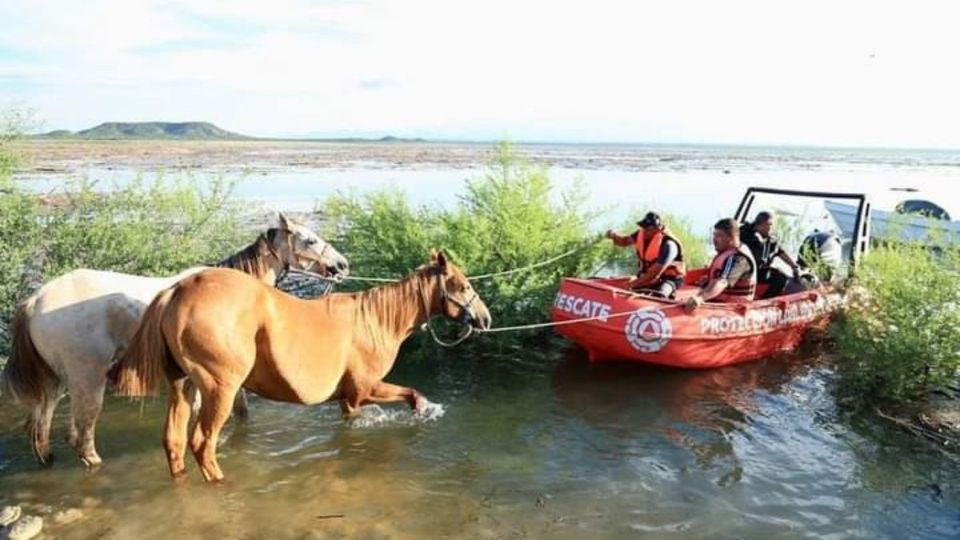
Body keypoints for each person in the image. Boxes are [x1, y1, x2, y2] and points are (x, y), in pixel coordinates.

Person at [606, 211, 686, 298]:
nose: (644, 231)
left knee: (660, 294)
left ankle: (669, 300)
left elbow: (655, 273)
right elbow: (624, 241)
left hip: (668, 279)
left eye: (648, 228)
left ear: (657, 228)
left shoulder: (669, 245)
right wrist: (613, 235)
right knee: (627, 292)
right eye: (643, 227)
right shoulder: (641, 234)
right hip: (648, 277)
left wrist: (632, 284)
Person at [685, 218, 757, 311]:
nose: (714, 239)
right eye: (714, 235)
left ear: (731, 237)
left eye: (719, 236)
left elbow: (723, 281)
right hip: (718, 305)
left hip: (733, 311)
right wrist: (708, 281)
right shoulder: (727, 253)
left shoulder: (738, 259)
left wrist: (701, 298)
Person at [740, 211, 800, 299]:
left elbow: (779, 251)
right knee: (780, 278)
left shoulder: (768, 239)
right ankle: (762, 301)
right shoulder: (746, 236)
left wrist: (793, 266)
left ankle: (765, 300)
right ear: (761, 224)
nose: (771, 228)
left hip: (759, 271)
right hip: (743, 271)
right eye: (770, 225)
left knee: (781, 277)